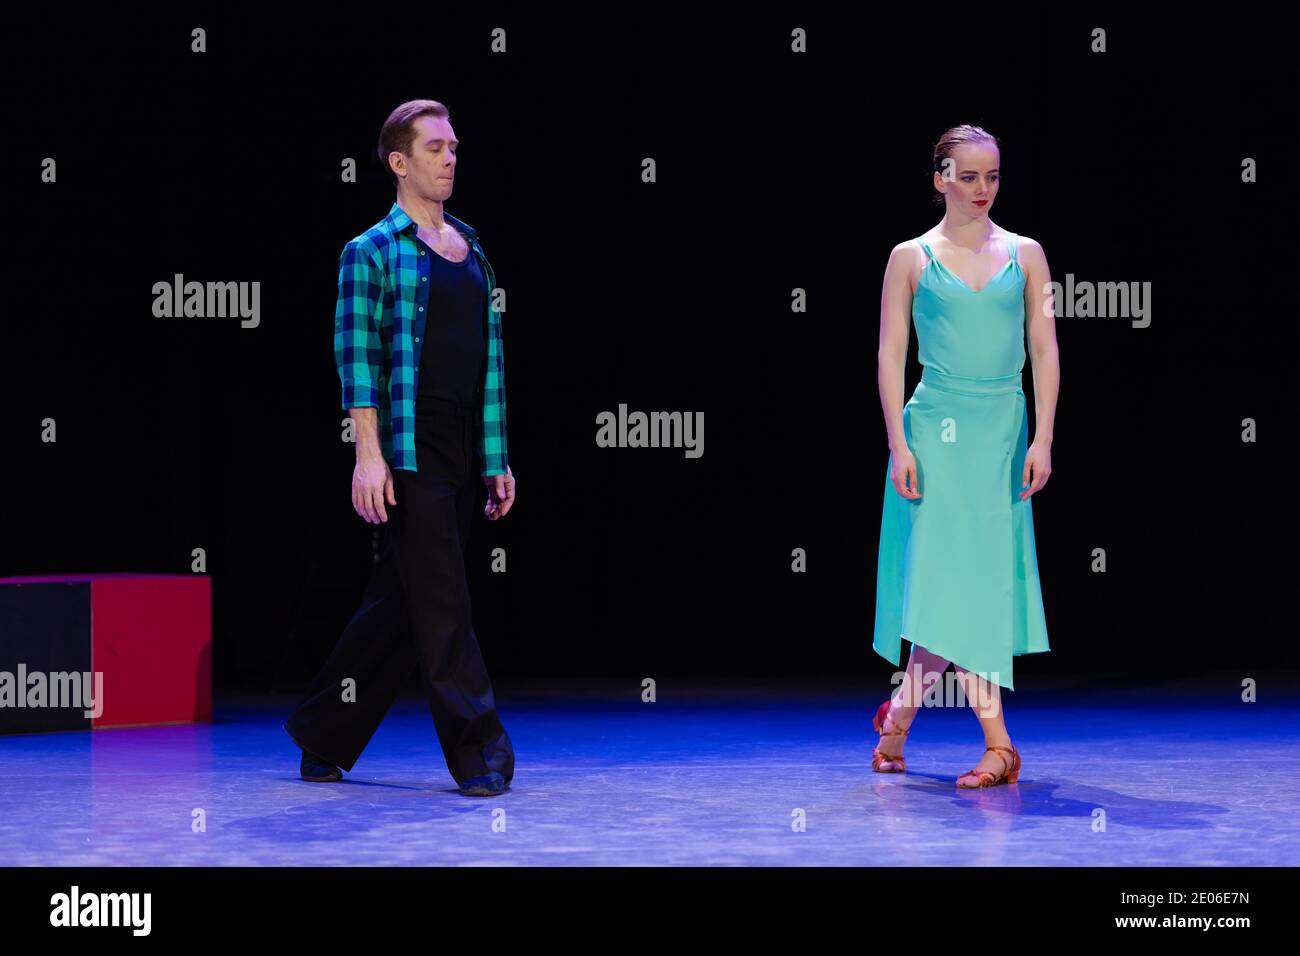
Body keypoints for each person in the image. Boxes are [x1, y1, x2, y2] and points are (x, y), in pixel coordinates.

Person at [283, 99, 516, 797]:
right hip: (407, 451)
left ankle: (325, 732)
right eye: (436, 148)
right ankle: (479, 753)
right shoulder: (372, 252)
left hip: (460, 443)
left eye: (454, 148)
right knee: (443, 601)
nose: (450, 158)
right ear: (399, 161)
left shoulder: (471, 247)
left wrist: (496, 456)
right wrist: (368, 454)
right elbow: (357, 363)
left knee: (398, 608)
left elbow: (487, 362)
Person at [870, 124, 1058, 788]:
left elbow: (1045, 348)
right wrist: (898, 443)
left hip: (1002, 431)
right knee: (950, 582)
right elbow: (891, 355)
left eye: (994, 176)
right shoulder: (910, 256)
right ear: (940, 179)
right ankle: (999, 745)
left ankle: (897, 719)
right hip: (936, 431)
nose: (983, 189)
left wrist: (1043, 438)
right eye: (969, 176)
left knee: (969, 584)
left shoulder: (1027, 253)